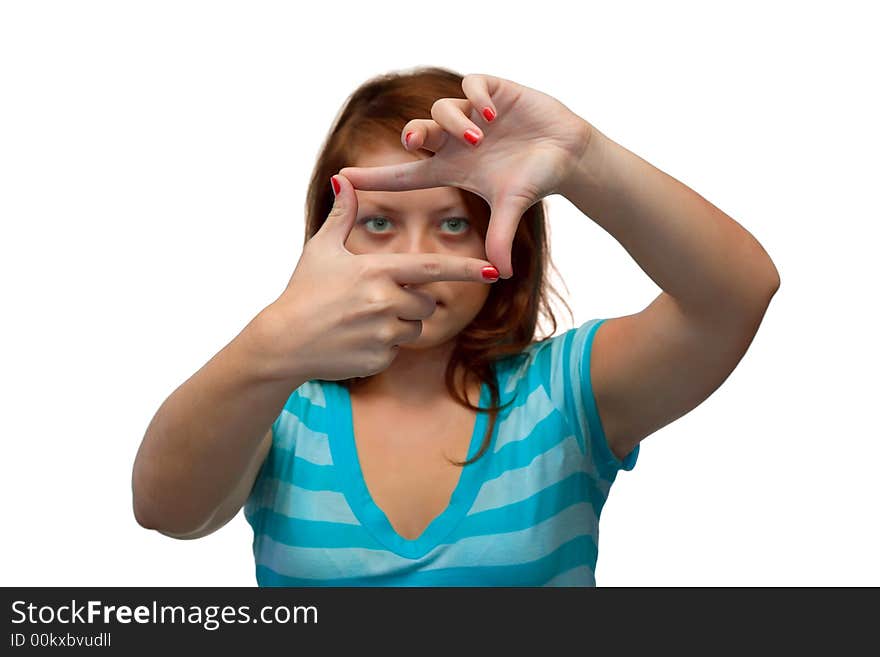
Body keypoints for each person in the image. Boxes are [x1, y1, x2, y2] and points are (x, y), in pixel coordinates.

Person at [132, 67, 780, 586]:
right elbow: (165, 510)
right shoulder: (278, 405)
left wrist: (580, 157)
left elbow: (737, 294)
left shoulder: (564, 391)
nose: (417, 262)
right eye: (379, 223)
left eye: (453, 223)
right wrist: (271, 342)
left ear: (506, 244)